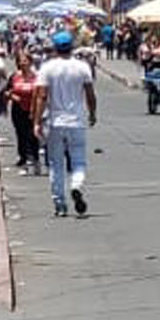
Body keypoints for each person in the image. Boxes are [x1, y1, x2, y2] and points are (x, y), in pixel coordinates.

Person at [35, 32, 97, 219]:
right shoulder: (82, 67)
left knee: (56, 163)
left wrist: (37, 121)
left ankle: (59, 203)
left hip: (55, 121)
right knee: (78, 160)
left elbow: (42, 96)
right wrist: (93, 113)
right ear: (72, 47)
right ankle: (76, 185)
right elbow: (90, 94)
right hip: (76, 121)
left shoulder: (48, 68)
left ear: (55, 47)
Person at [8, 51, 43, 174]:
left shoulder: (37, 76)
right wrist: (12, 96)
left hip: (33, 109)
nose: (23, 63)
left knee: (33, 135)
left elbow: (42, 93)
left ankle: (35, 160)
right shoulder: (14, 76)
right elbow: (7, 92)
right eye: (20, 61)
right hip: (18, 109)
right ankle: (24, 162)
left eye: (25, 61)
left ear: (30, 62)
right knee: (21, 135)